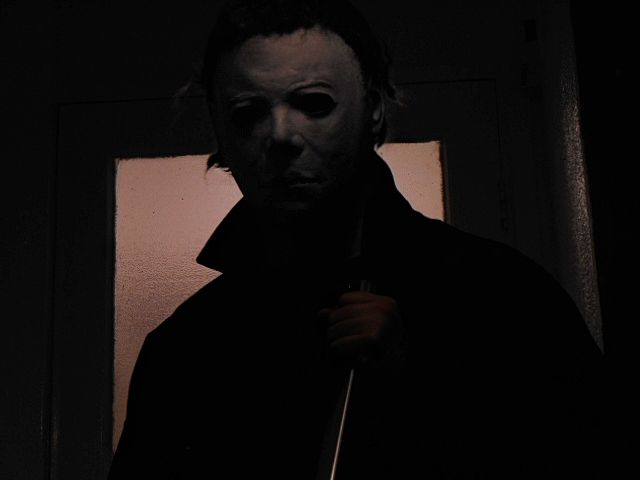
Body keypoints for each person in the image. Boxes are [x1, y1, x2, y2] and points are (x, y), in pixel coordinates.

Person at [108, 0, 605, 478]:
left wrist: (419, 382)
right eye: (246, 113)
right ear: (220, 130)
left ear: (373, 110)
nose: (280, 135)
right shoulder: (186, 348)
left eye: (314, 104)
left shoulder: (501, 294)